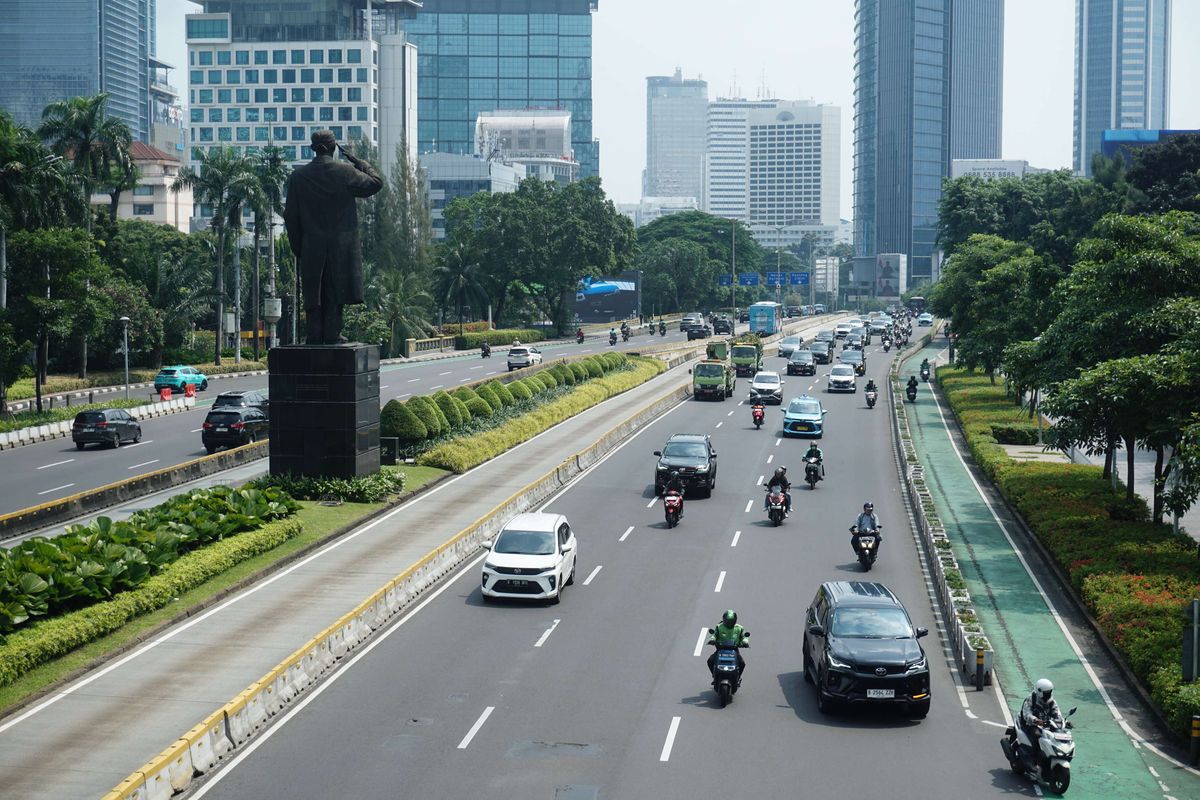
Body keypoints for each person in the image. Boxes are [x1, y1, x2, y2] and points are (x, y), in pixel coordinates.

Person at [283, 130, 384, 345]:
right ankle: (332, 333)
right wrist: (359, 162)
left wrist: (297, 246)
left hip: (311, 244)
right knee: (335, 290)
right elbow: (376, 182)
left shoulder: (298, 177)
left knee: (313, 292)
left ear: (313, 148)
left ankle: (313, 334)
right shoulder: (345, 172)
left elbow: (290, 215)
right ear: (333, 147)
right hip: (340, 246)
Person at [706, 609, 749, 682]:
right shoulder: (719, 627)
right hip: (720, 649)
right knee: (710, 661)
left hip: (734, 650)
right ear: (724, 620)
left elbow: (744, 637)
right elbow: (714, 635)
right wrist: (712, 640)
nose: (729, 623)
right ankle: (714, 675)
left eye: (731, 621)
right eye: (728, 621)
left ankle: (737, 678)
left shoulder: (739, 628)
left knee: (742, 663)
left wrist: (745, 642)